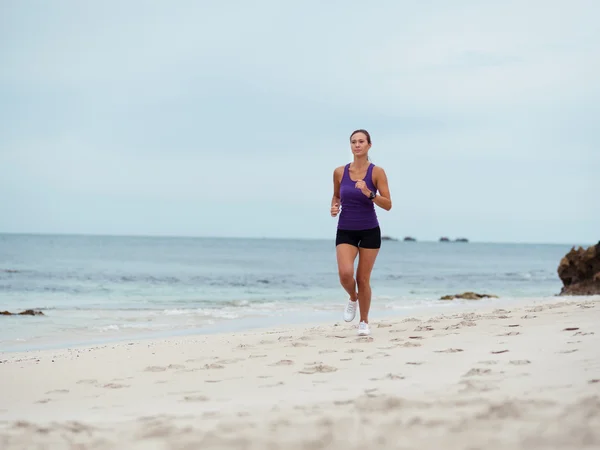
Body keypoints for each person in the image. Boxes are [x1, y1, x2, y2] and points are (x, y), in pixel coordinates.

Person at [330, 129, 392, 336]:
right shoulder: (340, 172)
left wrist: (369, 193)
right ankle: (353, 298)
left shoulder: (376, 172)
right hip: (346, 229)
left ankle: (364, 322)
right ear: (350, 146)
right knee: (345, 274)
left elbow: (388, 204)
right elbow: (336, 196)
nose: (357, 145)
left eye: (361, 141)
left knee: (363, 278)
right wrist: (334, 206)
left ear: (369, 145)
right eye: (354, 142)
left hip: (369, 231)